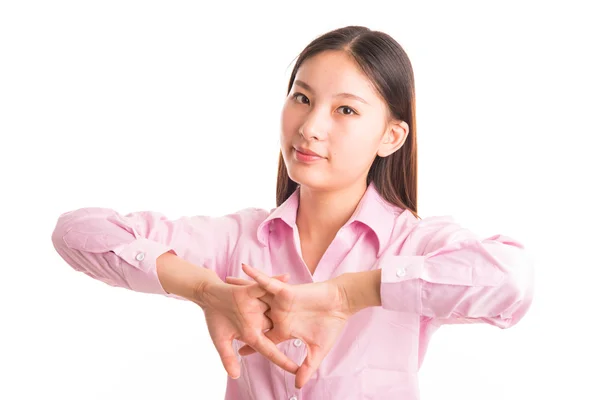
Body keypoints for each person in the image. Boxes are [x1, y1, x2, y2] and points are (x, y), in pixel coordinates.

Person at [51, 25, 534, 400]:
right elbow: (77, 232)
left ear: (391, 137)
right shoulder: (239, 241)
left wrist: (350, 294)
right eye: (302, 98)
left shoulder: (412, 245)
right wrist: (205, 291)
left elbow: (512, 281)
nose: (310, 127)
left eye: (346, 110)